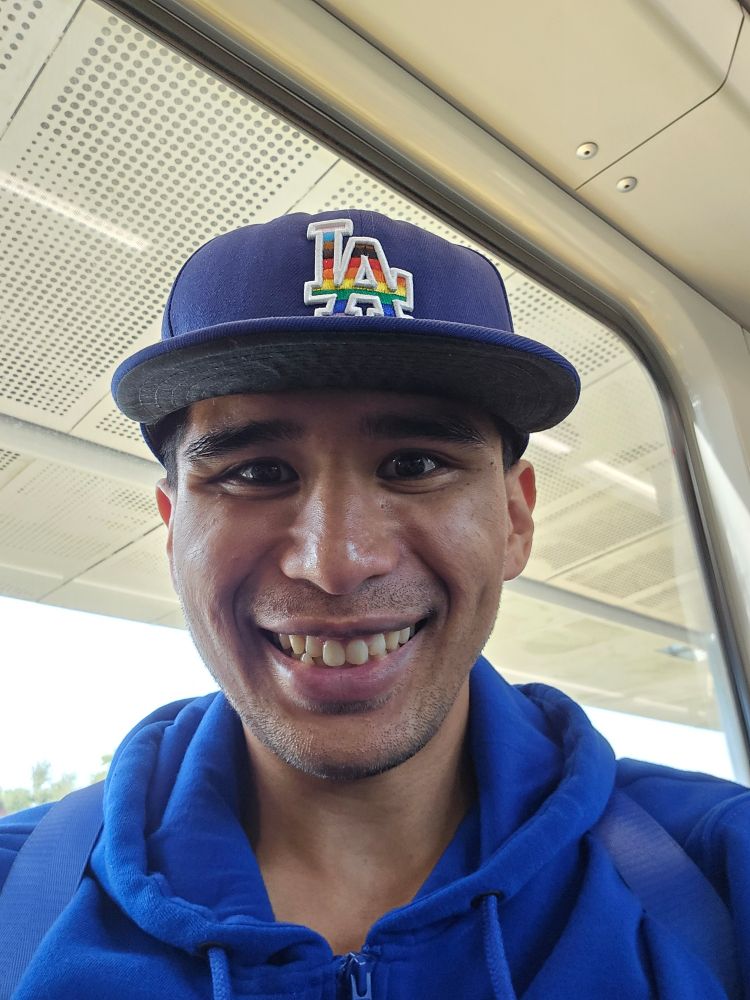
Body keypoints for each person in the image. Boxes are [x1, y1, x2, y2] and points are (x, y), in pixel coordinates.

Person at [0, 210, 748, 1000]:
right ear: (172, 528)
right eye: (255, 473)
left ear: (515, 520)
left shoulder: (719, 870)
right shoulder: (19, 891)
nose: (336, 563)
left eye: (416, 464)